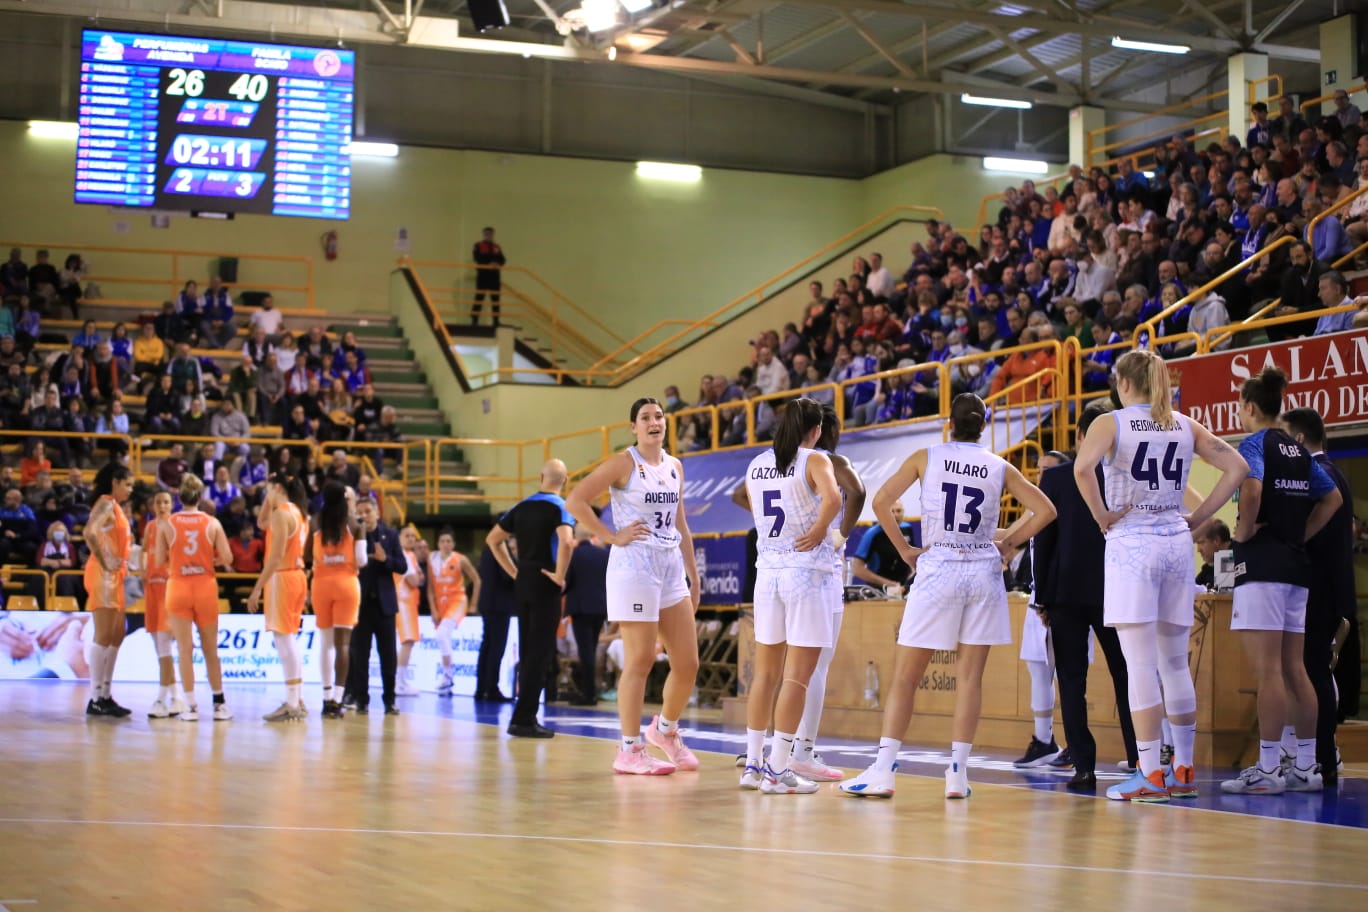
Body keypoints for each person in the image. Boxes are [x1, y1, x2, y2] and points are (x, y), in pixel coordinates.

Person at [840, 394, 1056, 800]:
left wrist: (905, 550)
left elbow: (881, 501)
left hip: (940, 567)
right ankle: (957, 773)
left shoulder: (927, 456)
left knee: (906, 676)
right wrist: (1009, 543)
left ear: (949, 424)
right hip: (982, 571)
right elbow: (1045, 510)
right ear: (984, 426)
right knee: (970, 679)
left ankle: (884, 769)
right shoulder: (999, 465)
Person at [1074, 350, 1248, 803]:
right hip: (1175, 543)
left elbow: (1081, 468)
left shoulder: (1110, 422)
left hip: (1133, 542)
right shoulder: (1183, 423)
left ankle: (1150, 772)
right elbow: (1238, 467)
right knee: (1174, 662)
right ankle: (1183, 769)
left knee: (1139, 664)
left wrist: (1101, 515)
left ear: (1123, 384)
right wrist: (1200, 517)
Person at [1221, 370, 1342, 795]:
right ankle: (1306, 766)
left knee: (1269, 672)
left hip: (1263, 568)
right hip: (1295, 568)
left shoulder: (1255, 444)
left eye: (1240, 407)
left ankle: (1269, 768)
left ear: (1250, 407)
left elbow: (1252, 492)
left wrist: (1242, 534)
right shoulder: (1298, 449)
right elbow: (1332, 498)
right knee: (1295, 668)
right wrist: (1300, 535)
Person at [566, 399, 701, 773]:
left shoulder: (675, 466)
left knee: (687, 663)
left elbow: (680, 523)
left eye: (658, 416)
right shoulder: (623, 463)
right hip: (635, 566)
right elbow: (575, 500)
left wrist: (693, 575)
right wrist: (611, 535)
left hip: (670, 566)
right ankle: (629, 749)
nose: (654, 422)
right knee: (640, 658)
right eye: (646, 418)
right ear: (634, 427)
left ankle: (666, 731)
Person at [731, 398, 843, 794]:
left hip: (768, 574)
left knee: (764, 675)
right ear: (815, 430)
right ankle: (778, 770)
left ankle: (753, 765)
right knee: (797, 677)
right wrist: (819, 529)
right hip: (805, 573)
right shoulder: (815, 459)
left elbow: (753, 504)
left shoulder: (756, 464)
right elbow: (835, 498)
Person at [1032, 403, 1140, 791]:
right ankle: (1140, 759)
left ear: (1079, 435)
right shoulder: (1127, 473)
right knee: (1128, 675)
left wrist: (1042, 597)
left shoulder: (1056, 477)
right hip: (1117, 589)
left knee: (1072, 680)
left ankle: (1084, 767)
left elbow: (1043, 540)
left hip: (1066, 591)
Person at [789, 403, 865, 781]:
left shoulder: (778, 463)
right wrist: (841, 533)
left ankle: (777, 745)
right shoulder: (830, 461)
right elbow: (858, 491)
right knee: (816, 665)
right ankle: (802, 750)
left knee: (785, 665)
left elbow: (741, 495)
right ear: (826, 431)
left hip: (783, 569)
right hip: (821, 571)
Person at [1280, 407, 1356, 785]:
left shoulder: (1318, 473)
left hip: (1319, 590)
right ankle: (1321, 753)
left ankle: (1322, 757)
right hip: (1329, 588)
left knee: (1313, 673)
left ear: (1298, 440)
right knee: (1313, 672)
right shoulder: (1333, 472)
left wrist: (1291, 542)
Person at [487, 460, 576, 739]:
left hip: (523, 581)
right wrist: (560, 574)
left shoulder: (521, 506)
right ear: (565, 480)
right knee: (539, 652)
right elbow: (566, 541)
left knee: (528, 649)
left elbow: (493, 540)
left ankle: (522, 716)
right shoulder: (562, 507)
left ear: (540, 477)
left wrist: (514, 571)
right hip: (546, 582)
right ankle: (524, 719)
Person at [159, 476, 235, 722]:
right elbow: (228, 557)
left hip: (178, 585)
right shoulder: (212, 523)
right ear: (200, 497)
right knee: (210, 648)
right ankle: (219, 704)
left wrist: (178, 560)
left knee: (184, 649)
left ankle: (191, 707)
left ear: (179, 497)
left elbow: (159, 559)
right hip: (205, 586)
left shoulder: (168, 523)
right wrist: (211, 560)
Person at [1012, 449, 1070, 770]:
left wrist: (1050, 597)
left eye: (1049, 469)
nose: (1041, 475)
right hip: (1038, 596)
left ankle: (1073, 742)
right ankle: (1044, 739)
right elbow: (1011, 535)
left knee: (1068, 674)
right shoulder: (1035, 506)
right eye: (1039, 469)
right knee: (1038, 670)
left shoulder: (1068, 506)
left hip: (1059, 598)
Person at [247, 475, 311, 722]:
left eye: (269, 491)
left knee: (284, 640)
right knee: (289, 638)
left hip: (282, 577)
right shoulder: (300, 513)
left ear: (278, 488)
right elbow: (262, 523)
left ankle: (292, 702)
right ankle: (298, 698)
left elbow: (275, 557)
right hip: (297, 576)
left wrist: (256, 589)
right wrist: (269, 498)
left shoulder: (282, 514)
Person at [344, 497, 409, 715]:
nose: (364, 515)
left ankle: (390, 700)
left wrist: (385, 559)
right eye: (359, 512)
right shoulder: (353, 537)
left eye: (367, 511)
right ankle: (362, 700)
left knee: (388, 656)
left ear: (377, 513)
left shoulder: (390, 535)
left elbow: (402, 566)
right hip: (360, 605)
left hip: (385, 606)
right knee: (360, 655)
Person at [307, 482, 367, 718]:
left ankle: (325, 697)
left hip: (321, 584)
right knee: (343, 645)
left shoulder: (315, 522)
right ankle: (338, 700)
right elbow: (362, 560)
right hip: (347, 584)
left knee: (326, 644)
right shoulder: (355, 524)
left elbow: (305, 555)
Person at [83, 462, 134, 717]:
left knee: (117, 635)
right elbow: (89, 532)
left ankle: (105, 694)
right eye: (127, 484)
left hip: (116, 574)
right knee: (103, 635)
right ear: (115, 482)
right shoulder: (105, 502)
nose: (130, 489)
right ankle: (95, 698)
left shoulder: (115, 506)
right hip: (103, 574)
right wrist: (104, 561)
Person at [141, 491, 186, 720]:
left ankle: (161, 697)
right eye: (158, 502)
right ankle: (176, 696)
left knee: (164, 646)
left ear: (172, 505)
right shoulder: (149, 527)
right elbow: (143, 553)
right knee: (160, 648)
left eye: (166, 502)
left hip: (168, 589)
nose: (161, 505)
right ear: (153, 505)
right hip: (152, 589)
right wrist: (143, 573)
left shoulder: (175, 526)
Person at [428, 527, 479, 697]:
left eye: (448, 541)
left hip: (457, 601)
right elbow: (430, 588)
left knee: (442, 635)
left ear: (454, 544)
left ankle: (448, 675)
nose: (445, 544)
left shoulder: (460, 559)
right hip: (440, 603)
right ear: (438, 543)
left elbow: (477, 580)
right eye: (442, 541)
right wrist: (433, 609)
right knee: (445, 639)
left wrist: (473, 604)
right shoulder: (432, 558)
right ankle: (448, 685)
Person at [563, 525, 609, 706]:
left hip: (580, 608)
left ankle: (588, 694)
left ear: (575, 535)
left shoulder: (573, 555)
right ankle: (591, 691)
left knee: (585, 651)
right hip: (600, 607)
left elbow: (567, 581)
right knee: (592, 648)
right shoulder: (603, 554)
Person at [474, 540, 516, 702]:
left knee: (487, 646)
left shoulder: (486, 549)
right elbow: (507, 576)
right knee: (496, 648)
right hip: (499, 604)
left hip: (487, 602)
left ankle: (481, 688)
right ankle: (492, 688)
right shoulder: (500, 547)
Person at [393, 526, 427, 697]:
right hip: (403, 602)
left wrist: (419, 577)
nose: (411, 539)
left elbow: (420, 578)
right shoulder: (404, 555)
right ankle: (399, 682)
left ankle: (399, 681)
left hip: (407, 602)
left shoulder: (411, 555)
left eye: (413, 536)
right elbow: (415, 580)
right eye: (407, 535)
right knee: (407, 641)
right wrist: (419, 577)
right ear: (399, 538)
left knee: (406, 642)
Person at [471, 226, 506, 326]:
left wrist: (496, 263)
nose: (488, 235)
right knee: (479, 297)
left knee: (495, 298)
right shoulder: (478, 245)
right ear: (483, 234)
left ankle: (496, 321)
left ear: (493, 235)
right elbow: (476, 257)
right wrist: (488, 264)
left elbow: (503, 260)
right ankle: (474, 320)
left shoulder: (496, 247)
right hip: (483, 275)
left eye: (490, 234)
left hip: (494, 276)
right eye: (486, 234)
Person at [1194, 520, 1232, 589]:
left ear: (1216, 540)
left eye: (1201, 542)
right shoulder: (1207, 570)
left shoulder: (1232, 558)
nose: (1198, 550)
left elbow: (1225, 594)